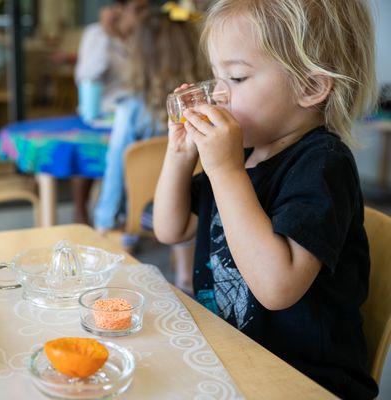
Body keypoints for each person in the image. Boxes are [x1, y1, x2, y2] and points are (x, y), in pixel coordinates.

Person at [153, 0, 379, 398]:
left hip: (303, 380)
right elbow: (171, 229)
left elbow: (277, 288)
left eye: (237, 78)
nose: (218, 95)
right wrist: (180, 154)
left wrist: (225, 172)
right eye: (216, 76)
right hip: (230, 359)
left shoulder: (323, 164)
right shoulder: (239, 156)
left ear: (310, 86)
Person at [93, 7, 209, 293]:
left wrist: (104, 222)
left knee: (116, 202)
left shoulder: (130, 109)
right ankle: (184, 276)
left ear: (140, 56)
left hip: (147, 211)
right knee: (189, 198)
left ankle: (130, 251)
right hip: (196, 205)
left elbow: (117, 169)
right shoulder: (204, 106)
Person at [72, 0, 149, 224]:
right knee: (88, 151)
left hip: (133, 112)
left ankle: (126, 215)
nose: (144, 15)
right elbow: (87, 75)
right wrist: (108, 35)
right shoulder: (96, 34)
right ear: (118, 10)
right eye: (138, 9)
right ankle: (83, 214)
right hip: (101, 113)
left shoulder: (143, 36)